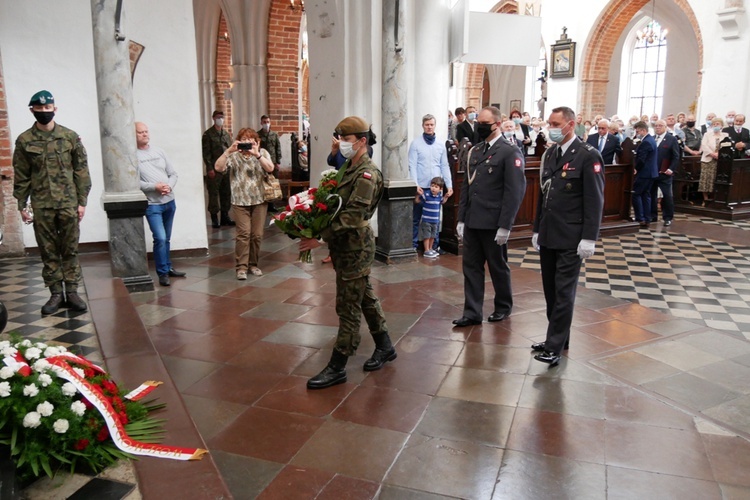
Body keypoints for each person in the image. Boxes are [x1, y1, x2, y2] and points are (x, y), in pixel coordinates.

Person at [299, 116, 393, 389]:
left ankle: (338, 365)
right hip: (345, 245)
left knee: (348, 307)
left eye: (346, 140)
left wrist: (319, 237)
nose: (341, 144)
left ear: (362, 141)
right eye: (340, 139)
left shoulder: (367, 173)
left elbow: (352, 216)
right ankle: (385, 346)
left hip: (355, 246)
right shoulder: (350, 168)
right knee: (363, 297)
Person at [531, 106, 605, 366]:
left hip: (572, 236)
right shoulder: (551, 152)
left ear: (570, 125)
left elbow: (595, 200)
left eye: (554, 123)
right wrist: (537, 228)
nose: (550, 127)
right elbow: (544, 193)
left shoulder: (588, 155)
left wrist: (589, 237)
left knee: (563, 292)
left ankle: (554, 345)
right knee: (550, 291)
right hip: (550, 232)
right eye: (549, 123)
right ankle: (559, 337)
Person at [13, 90, 92, 314]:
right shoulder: (24, 140)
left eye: (48, 109)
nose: (44, 112)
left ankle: (73, 291)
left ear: (54, 109)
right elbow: (22, 175)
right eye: (40, 109)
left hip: (68, 202)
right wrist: (22, 205)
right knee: (48, 251)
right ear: (32, 111)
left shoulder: (69, 137)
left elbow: (81, 171)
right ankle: (56, 293)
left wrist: (82, 201)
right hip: (41, 204)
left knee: (70, 248)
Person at [453, 106, 526, 327]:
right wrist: (461, 218)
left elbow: (514, 192)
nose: (480, 127)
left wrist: (506, 225)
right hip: (474, 220)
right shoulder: (475, 151)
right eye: (478, 123)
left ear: (497, 125)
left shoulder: (509, 151)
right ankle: (472, 312)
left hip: (494, 222)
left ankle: (503, 306)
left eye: (484, 124)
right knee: (471, 267)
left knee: (497, 267)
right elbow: (467, 186)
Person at [214, 128, 275, 279]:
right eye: (244, 140)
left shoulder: (263, 153)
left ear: (256, 141)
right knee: (244, 234)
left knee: (257, 235)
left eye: (250, 140)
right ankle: (241, 267)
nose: (247, 143)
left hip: (259, 200)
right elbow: (218, 167)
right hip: (240, 201)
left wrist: (257, 154)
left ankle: (253, 264)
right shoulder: (234, 156)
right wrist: (228, 151)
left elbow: (270, 168)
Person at [135, 122, 187, 287]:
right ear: (133, 135)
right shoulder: (133, 156)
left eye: (146, 131)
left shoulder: (159, 151)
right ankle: (162, 273)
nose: (145, 134)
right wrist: (154, 187)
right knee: (160, 238)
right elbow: (134, 182)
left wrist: (169, 186)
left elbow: (173, 174)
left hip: (169, 201)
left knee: (167, 239)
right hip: (153, 205)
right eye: (140, 132)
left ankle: (168, 267)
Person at [408, 114, 453, 252]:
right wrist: (415, 184)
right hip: (421, 187)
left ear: (435, 125)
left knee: (434, 218)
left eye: (431, 124)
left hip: (436, 188)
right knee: (417, 218)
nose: (429, 127)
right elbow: (412, 165)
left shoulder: (440, 145)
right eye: (427, 124)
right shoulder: (416, 143)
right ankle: (414, 245)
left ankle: (434, 246)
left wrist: (449, 185)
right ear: (423, 125)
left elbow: (444, 165)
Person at [202, 110, 234, 228]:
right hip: (214, 169)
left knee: (226, 193)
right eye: (218, 117)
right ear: (213, 118)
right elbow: (206, 153)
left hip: (226, 168)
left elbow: (230, 150)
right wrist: (209, 168)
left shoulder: (226, 134)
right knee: (214, 193)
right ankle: (214, 217)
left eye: (222, 117)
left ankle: (225, 216)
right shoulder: (208, 134)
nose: (220, 119)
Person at [650, 119, 680, 226]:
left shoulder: (671, 139)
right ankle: (652, 216)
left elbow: (676, 156)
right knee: (651, 194)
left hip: (665, 172)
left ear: (665, 127)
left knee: (667, 195)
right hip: (652, 172)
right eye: (656, 126)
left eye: (660, 125)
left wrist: (671, 169)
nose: (658, 127)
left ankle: (668, 217)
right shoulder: (652, 139)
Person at [632, 121, 658, 227]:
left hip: (644, 173)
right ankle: (647, 218)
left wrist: (636, 168)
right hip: (651, 173)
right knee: (646, 195)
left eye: (638, 131)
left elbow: (641, 159)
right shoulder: (651, 140)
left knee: (636, 194)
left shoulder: (646, 142)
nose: (637, 133)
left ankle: (640, 218)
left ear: (643, 130)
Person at [699, 118, 729, 206]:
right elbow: (704, 145)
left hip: (720, 160)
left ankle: (714, 198)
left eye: (718, 124)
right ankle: (705, 199)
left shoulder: (725, 135)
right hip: (707, 159)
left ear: (721, 126)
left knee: (716, 179)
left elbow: (726, 146)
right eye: (714, 124)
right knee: (705, 179)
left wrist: (719, 154)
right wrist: (712, 154)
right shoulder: (707, 134)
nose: (716, 125)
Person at [415, 177, 444, 258]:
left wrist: (446, 196)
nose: (433, 188)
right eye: (432, 186)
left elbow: (443, 201)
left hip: (435, 221)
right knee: (427, 236)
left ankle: (431, 248)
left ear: (440, 189)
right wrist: (418, 195)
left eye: (436, 187)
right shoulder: (426, 195)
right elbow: (418, 201)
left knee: (433, 236)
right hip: (426, 220)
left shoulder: (439, 197)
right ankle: (426, 250)